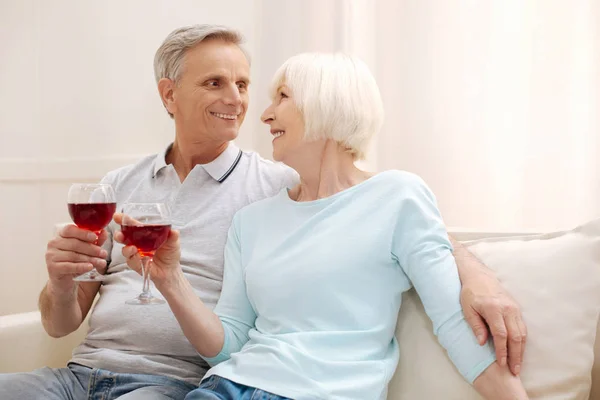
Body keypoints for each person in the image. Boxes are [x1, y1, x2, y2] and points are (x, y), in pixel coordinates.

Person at [0, 25, 524, 400]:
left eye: (249, 87)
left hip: (172, 384)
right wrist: (63, 283)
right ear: (169, 95)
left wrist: (473, 271)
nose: (247, 105)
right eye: (215, 84)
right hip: (130, 377)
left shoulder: (287, 184)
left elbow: (393, 221)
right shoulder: (130, 189)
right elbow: (62, 322)